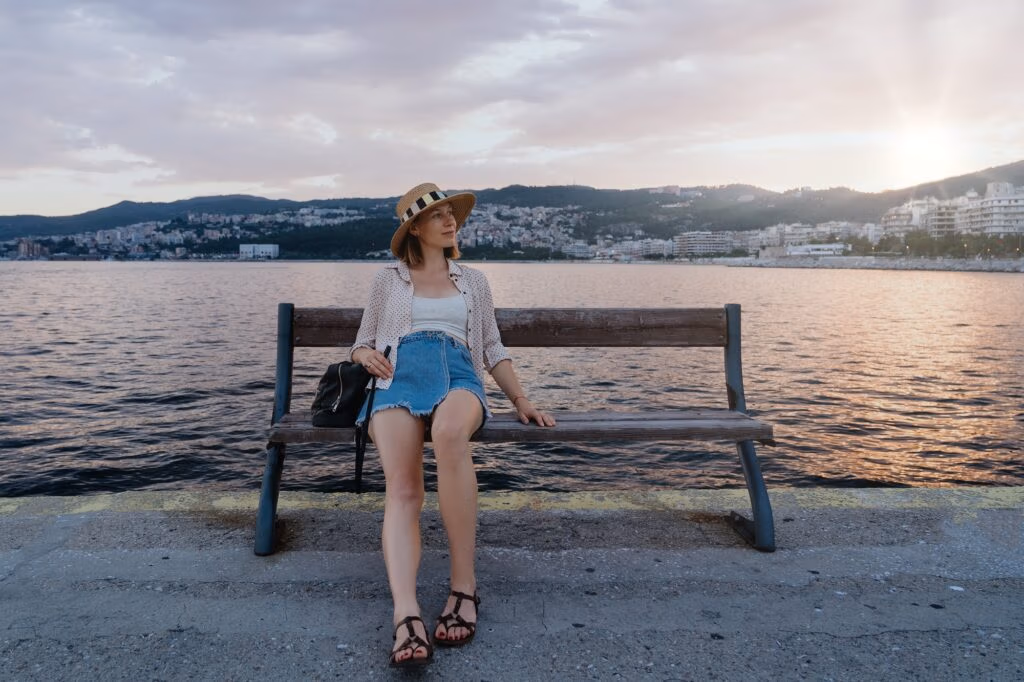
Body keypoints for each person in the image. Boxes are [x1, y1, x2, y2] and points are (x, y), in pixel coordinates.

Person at [349, 182, 556, 668]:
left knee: (448, 435)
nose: (449, 221)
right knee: (403, 491)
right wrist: (365, 355)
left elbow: (491, 348)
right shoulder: (388, 280)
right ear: (414, 229)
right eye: (437, 215)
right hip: (398, 377)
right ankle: (406, 615)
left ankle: (464, 586)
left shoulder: (474, 281)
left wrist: (521, 399)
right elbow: (360, 342)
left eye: (451, 213)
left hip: (458, 373)